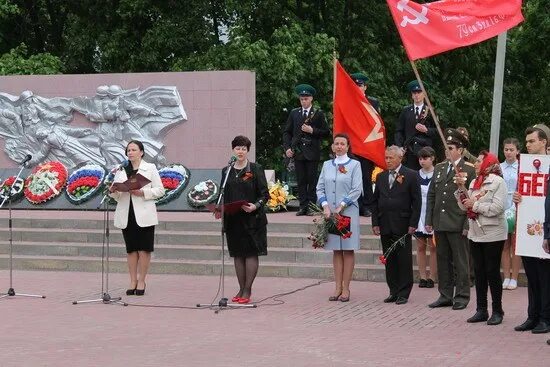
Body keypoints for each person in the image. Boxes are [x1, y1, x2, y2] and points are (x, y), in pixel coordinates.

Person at [425, 128, 476, 310]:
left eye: (452, 147)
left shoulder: (468, 170)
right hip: (441, 221)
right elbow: (432, 195)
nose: (447, 150)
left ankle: (462, 296)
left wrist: (466, 223)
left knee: (460, 261)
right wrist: (429, 219)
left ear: (460, 150)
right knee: (443, 259)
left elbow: (471, 198)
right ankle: (445, 295)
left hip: (457, 221)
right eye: (446, 147)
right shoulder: (439, 168)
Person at [455, 151, 507, 325]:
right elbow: (464, 208)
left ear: (488, 163)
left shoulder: (498, 181)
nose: (476, 164)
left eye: (479, 161)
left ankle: (497, 310)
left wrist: (475, 205)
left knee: (492, 271)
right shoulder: (474, 182)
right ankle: (481, 309)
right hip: (475, 233)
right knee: (479, 272)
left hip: (493, 233)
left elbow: (499, 207)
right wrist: (461, 192)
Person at [109, 140, 165, 296]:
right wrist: (113, 190)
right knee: (131, 250)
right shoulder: (121, 170)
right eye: (128, 150)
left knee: (144, 249)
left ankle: (142, 280)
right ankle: (132, 280)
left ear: (141, 152)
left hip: (144, 213)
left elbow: (160, 190)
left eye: (133, 150)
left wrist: (144, 193)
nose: (130, 152)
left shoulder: (150, 168)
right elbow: (117, 196)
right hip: (127, 213)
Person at [218, 135, 269, 304]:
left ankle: (247, 290)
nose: (240, 151)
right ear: (233, 150)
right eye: (237, 148)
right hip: (233, 219)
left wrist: (255, 205)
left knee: (250, 254)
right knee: (238, 255)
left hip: (253, 219)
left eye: (243, 148)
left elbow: (264, 194)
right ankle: (240, 289)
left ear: (248, 151)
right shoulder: (226, 171)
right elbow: (222, 194)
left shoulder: (255, 169)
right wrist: (219, 209)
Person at [371, 146, 421, 305]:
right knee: (389, 258)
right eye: (386, 158)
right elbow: (375, 202)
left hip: (403, 223)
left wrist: (413, 223)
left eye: (391, 158)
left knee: (403, 259)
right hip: (385, 222)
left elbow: (417, 202)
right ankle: (393, 290)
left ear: (400, 158)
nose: (388, 161)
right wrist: (375, 222)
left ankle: (404, 292)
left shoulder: (411, 175)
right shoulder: (381, 176)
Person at [316, 133, 362, 302]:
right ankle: (337, 287)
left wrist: (341, 205)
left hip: (347, 211)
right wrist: (325, 205)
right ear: (333, 146)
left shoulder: (355, 165)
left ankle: (346, 288)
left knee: (348, 249)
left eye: (343, 143)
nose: (340, 146)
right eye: (337, 143)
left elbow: (357, 189)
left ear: (348, 146)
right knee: (336, 249)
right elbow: (320, 187)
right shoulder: (327, 165)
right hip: (331, 213)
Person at [513, 125, 550, 334]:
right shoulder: (525, 166)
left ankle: (546, 317)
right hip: (528, 229)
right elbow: (522, 192)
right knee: (532, 276)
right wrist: (517, 197)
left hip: (546, 229)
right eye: (526, 142)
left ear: (544, 142)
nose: (528, 145)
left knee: (545, 277)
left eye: (532, 141)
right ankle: (532, 316)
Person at [283, 84, 330, 215]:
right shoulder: (294, 113)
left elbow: (326, 132)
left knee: (312, 180)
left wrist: (312, 130)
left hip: (312, 152)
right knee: (301, 180)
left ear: (311, 99)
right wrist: (287, 148)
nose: (304, 101)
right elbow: (287, 132)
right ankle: (303, 206)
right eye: (301, 99)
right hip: (298, 152)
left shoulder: (318, 114)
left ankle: (311, 206)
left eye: (306, 99)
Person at [350, 72, 380, 217]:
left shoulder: (372, 102)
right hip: (352, 146)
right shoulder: (346, 101)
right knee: (353, 178)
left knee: (366, 178)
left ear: (365, 87)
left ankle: (367, 206)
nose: (358, 88)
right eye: (355, 85)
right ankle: (357, 204)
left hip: (367, 145)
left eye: (360, 85)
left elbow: (377, 124)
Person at [395, 80, 437, 170]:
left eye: (419, 92)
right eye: (414, 93)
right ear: (412, 95)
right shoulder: (406, 111)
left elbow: (438, 131)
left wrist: (426, 130)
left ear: (424, 94)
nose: (417, 95)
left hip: (425, 152)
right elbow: (399, 131)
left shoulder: (430, 111)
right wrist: (400, 147)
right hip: (409, 152)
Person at [500, 138, 520, 290]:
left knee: (515, 244)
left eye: (511, 149)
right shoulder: (499, 168)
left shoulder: (522, 167)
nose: (508, 152)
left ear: (517, 151)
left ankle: (514, 278)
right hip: (502, 207)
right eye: (506, 149)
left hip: (517, 207)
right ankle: (506, 276)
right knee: (504, 244)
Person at [416, 146, 437, 288]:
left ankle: (432, 277)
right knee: (420, 246)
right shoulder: (415, 175)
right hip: (419, 214)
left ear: (433, 158)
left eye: (425, 158)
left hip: (433, 213)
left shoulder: (438, 174)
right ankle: (422, 276)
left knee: (434, 247)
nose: (422, 161)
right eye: (420, 159)